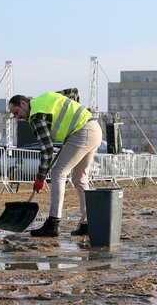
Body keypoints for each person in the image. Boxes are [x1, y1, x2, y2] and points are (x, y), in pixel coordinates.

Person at [8, 89, 103, 237]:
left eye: (16, 112)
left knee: (58, 172)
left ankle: (53, 223)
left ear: (23, 103)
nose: (16, 117)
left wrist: (40, 178)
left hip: (82, 131)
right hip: (94, 128)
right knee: (80, 179)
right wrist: (72, 122)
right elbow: (73, 92)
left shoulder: (36, 116)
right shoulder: (46, 97)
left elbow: (47, 150)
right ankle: (87, 224)